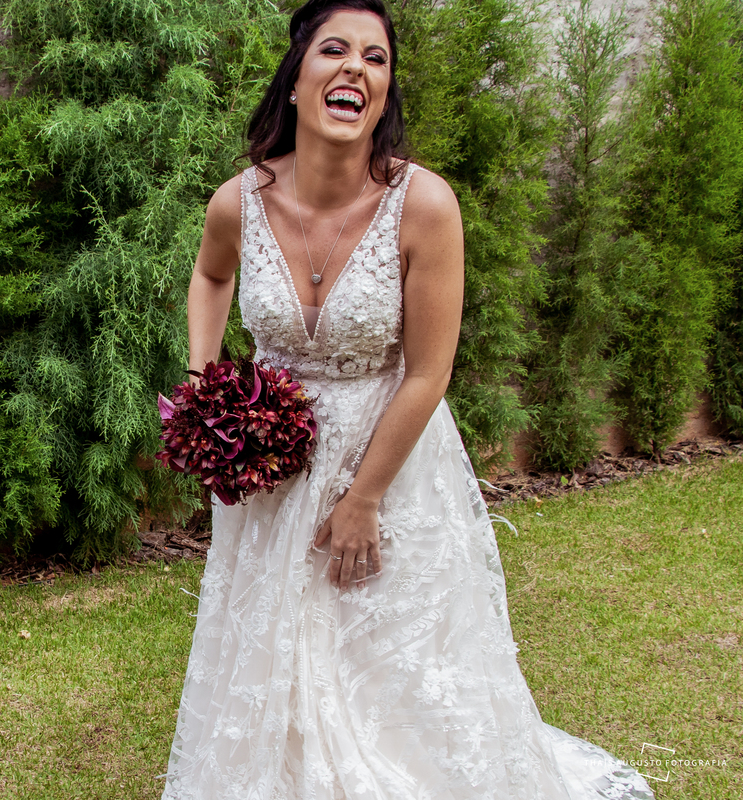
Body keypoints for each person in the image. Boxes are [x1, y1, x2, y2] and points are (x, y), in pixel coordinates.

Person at [160, 1, 655, 797]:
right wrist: (201, 378)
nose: (356, 67)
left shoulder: (423, 205)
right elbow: (212, 274)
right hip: (273, 470)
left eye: (377, 58)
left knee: (388, 654)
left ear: (384, 95)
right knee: (272, 644)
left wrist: (363, 498)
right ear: (296, 80)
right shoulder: (239, 201)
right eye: (335, 50)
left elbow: (428, 371)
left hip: (389, 455)